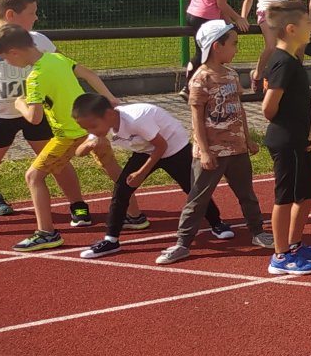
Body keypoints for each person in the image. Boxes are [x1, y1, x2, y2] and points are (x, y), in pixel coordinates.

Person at [0, 24, 136, 251]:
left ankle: (47, 233)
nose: (7, 63)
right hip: (92, 130)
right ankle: (136, 216)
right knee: (112, 167)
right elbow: (89, 74)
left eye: (5, 59)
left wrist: (19, 103)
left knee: (33, 177)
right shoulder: (57, 58)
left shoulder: (35, 78)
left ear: (14, 52)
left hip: (68, 136)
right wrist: (109, 97)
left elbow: (34, 118)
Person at [157, 21, 273, 264]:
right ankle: (182, 243)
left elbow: (239, 109)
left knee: (247, 194)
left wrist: (248, 139)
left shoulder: (231, 74)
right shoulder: (200, 79)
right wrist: (205, 151)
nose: (237, 49)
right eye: (234, 44)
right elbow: (196, 118)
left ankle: (257, 232)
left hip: (237, 149)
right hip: (212, 152)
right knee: (198, 198)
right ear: (217, 46)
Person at [72, 94, 231, 259]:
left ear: (109, 114)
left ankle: (217, 223)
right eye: (86, 129)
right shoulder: (100, 128)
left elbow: (161, 146)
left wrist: (141, 173)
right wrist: (88, 145)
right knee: (121, 190)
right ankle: (111, 240)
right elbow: (78, 153)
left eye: (92, 126)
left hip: (174, 147)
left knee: (192, 188)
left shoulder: (136, 120)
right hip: (145, 150)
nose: (90, 131)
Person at [0, 0, 80, 222]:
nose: (36, 17)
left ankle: (78, 206)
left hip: (37, 113)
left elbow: (63, 68)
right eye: (31, 12)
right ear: (11, 15)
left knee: (58, 163)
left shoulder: (39, 40)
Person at [260, 0, 311, 275]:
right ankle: (280, 255)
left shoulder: (294, 59)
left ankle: (295, 244)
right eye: (307, 23)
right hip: (286, 140)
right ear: (291, 29)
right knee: (285, 197)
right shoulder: (283, 62)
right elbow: (268, 108)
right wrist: (291, 127)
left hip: (299, 139)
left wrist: (307, 128)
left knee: (307, 192)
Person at [184, 0, 248, 87]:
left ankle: (193, 85)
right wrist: (238, 18)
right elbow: (221, 4)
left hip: (193, 15)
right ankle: (190, 86)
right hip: (205, 18)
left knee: (201, 52)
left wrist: (229, 24)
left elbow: (216, 5)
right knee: (206, 54)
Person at [240, 0, 299, 95]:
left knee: (291, 47)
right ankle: (257, 75)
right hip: (265, 12)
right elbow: (248, 0)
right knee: (271, 46)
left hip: (283, 14)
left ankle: (287, 79)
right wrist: (243, 17)